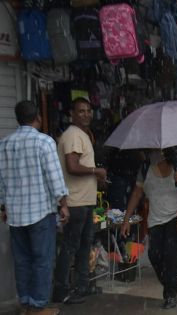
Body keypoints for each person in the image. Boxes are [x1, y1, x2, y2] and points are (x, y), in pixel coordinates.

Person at [0, 101, 69, 315]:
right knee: (42, 260)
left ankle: (26, 303)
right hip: (41, 213)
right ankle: (38, 306)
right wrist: (63, 203)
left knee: (22, 261)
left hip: (15, 214)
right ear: (37, 117)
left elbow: (1, 179)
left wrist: (3, 206)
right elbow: (54, 177)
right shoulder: (44, 142)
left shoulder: (5, 144)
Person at [121, 147, 177, 309]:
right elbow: (137, 193)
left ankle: (170, 295)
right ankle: (169, 283)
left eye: (159, 151)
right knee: (154, 255)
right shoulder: (145, 168)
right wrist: (126, 219)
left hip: (176, 219)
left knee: (171, 256)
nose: (155, 153)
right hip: (155, 220)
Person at [53, 98, 107, 305]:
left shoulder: (81, 135)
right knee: (70, 246)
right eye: (81, 111)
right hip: (75, 202)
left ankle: (82, 285)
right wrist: (96, 171)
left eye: (88, 111)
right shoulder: (73, 135)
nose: (86, 114)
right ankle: (61, 290)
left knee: (84, 244)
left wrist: (98, 178)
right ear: (72, 114)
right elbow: (72, 167)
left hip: (85, 200)